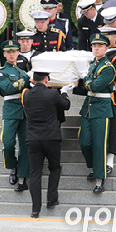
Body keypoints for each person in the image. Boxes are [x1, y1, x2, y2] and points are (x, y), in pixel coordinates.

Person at [22, 66, 71, 218]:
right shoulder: (51, 94)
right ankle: (51, 199)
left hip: (33, 139)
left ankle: (35, 209)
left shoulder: (27, 96)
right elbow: (66, 105)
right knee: (55, 168)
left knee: (35, 173)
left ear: (32, 80)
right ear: (46, 79)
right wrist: (64, 93)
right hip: (51, 137)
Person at [72, 33, 115, 193]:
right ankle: (93, 166)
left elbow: (94, 86)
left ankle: (99, 178)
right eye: (94, 46)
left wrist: (85, 80)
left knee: (99, 145)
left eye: (100, 46)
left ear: (106, 48)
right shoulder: (92, 65)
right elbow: (85, 87)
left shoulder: (108, 67)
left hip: (102, 109)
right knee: (84, 141)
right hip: (88, 108)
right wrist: (69, 86)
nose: (96, 48)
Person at [0, 40, 30, 192]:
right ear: (4, 54)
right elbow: (7, 88)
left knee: (25, 145)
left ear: (18, 53)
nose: (11, 54)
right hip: (10, 110)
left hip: (25, 110)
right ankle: (12, 167)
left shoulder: (23, 72)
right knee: (8, 143)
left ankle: (22, 176)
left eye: (14, 51)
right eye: (8, 52)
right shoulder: (1, 71)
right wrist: (25, 81)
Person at [99, 26, 116, 173]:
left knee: (113, 128)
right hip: (99, 96)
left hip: (113, 95)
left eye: (108, 36)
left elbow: (114, 75)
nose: (105, 40)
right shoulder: (99, 55)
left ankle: (110, 161)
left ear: (115, 38)